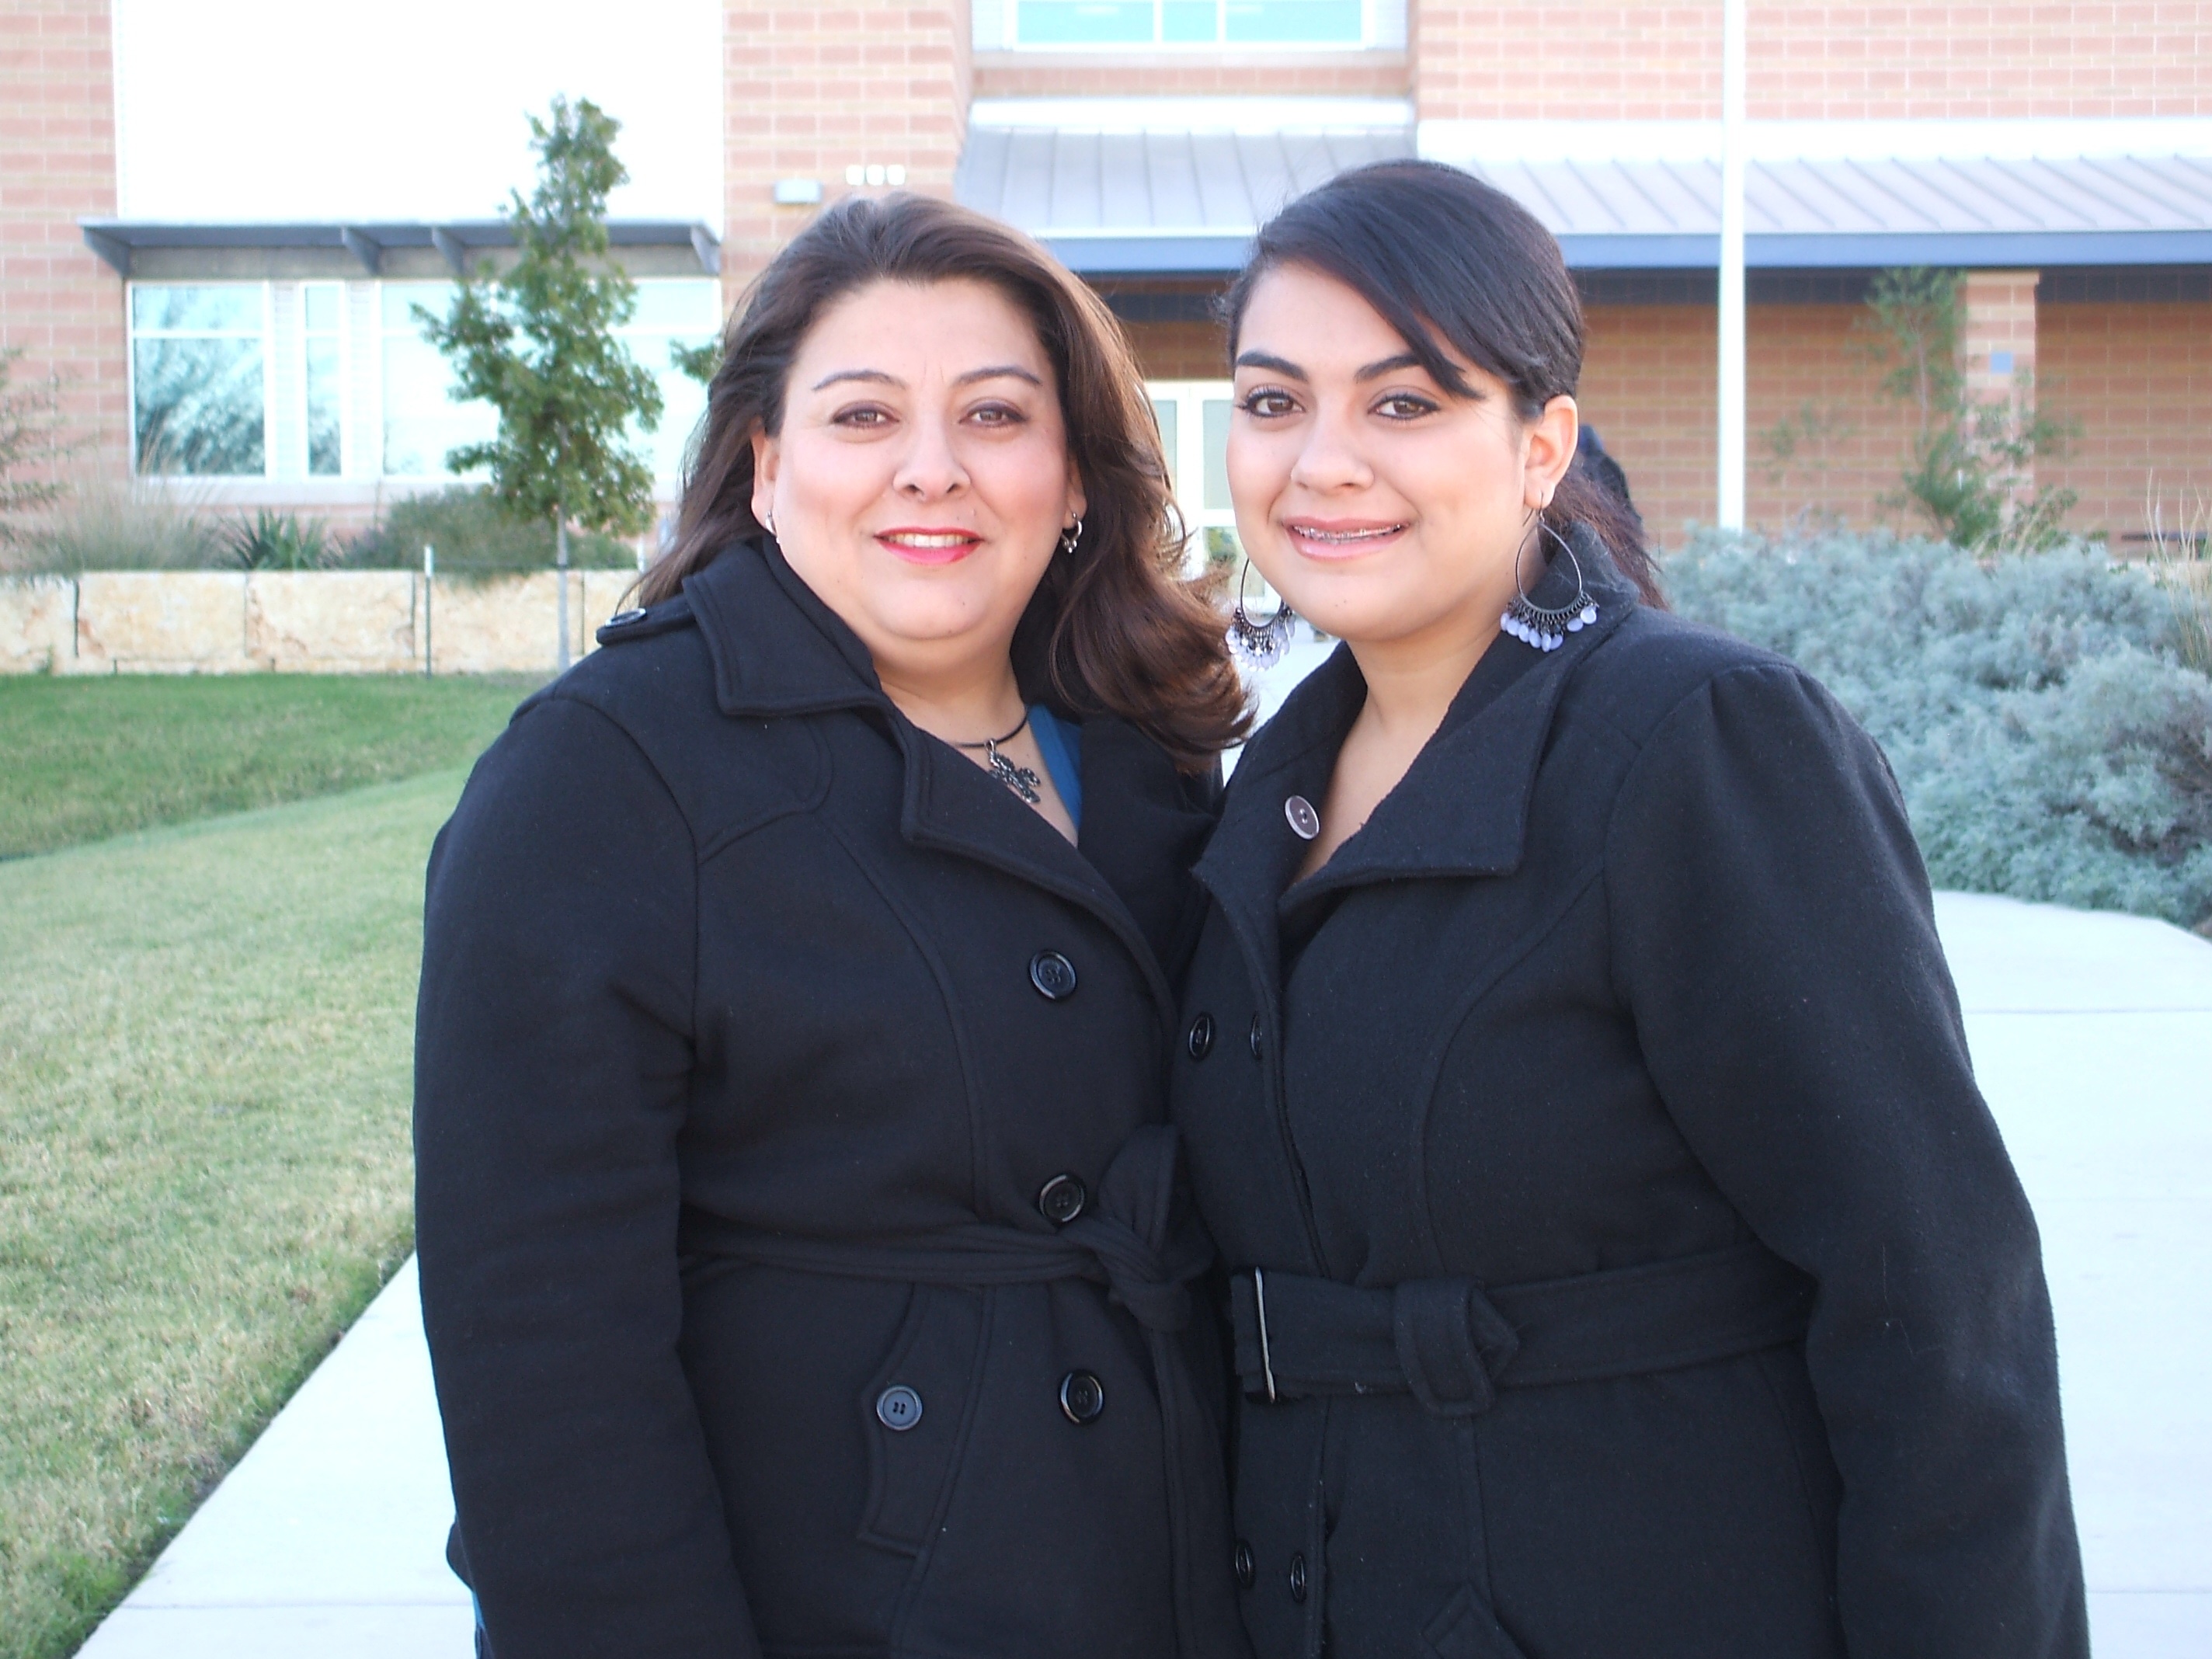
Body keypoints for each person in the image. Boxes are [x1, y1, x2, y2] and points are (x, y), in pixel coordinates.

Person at [1170, 160, 2087, 1658]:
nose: (1321, 461)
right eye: (1273, 404)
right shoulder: (1257, 795)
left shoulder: (1700, 739)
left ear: (1543, 445)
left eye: (1405, 404)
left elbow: (1934, 1302)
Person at [414, 193, 1255, 1659]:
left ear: (1073, 482)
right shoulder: (606, 779)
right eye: (863, 416)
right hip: (843, 1599)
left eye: (995, 417)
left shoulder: (1142, 750)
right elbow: (542, 1363)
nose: (931, 470)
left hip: (1168, 1573)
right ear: (766, 462)